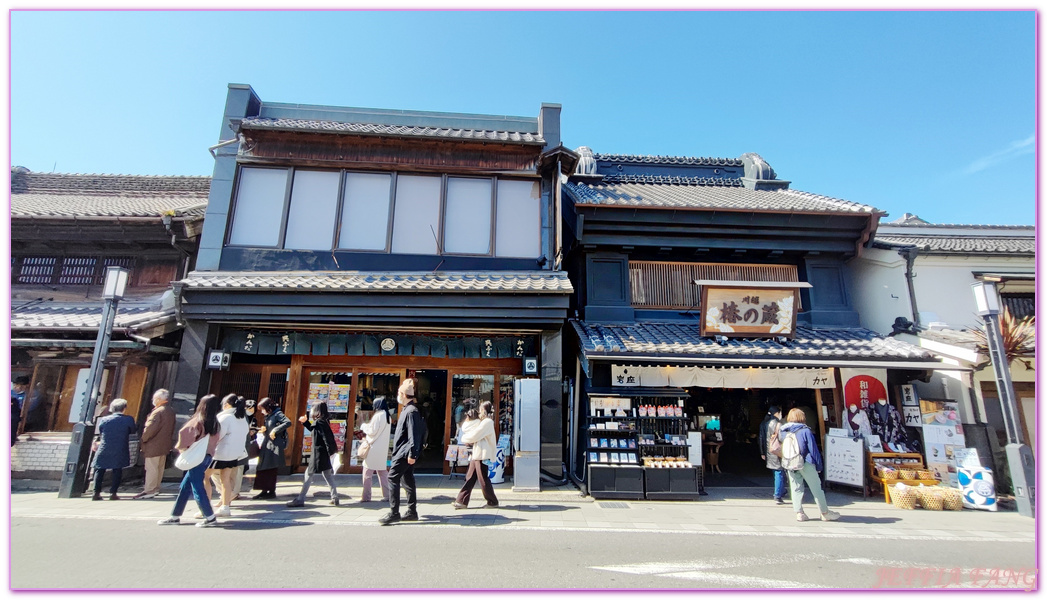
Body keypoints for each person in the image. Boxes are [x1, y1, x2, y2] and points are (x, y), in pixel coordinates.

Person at [158, 394, 222, 527]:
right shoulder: (215, 423)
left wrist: (181, 448)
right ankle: (175, 515)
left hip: (195, 456)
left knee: (197, 487)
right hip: (207, 456)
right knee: (185, 486)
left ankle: (209, 517)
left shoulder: (198, 421)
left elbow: (184, 436)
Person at [778, 408, 840, 522]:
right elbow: (813, 450)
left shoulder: (783, 431)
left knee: (796, 488)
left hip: (790, 462)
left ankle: (799, 513)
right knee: (816, 489)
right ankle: (825, 512)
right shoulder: (805, 431)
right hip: (806, 462)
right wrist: (819, 466)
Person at [379, 377, 425, 525]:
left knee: (392, 478)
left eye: (399, 393)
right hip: (404, 452)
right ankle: (412, 511)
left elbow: (414, 434)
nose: (398, 396)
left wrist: (413, 453)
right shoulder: (408, 409)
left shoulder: (411, 411)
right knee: (408, 479)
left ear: (404, 395)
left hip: (404, 453)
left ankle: (394, 512)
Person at [288, 401, 341, 507]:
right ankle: (335, 497)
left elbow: (325, 437)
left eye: (312, 408)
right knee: (328, 475)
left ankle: (300, 499)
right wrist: (305, 422)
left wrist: (330, 451)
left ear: (316, 410)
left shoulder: (319, 422)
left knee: (308, 474)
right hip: (324, 453)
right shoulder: (324, 421)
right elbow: (315, 431)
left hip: (318, 453)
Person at [206, 394, 249, 517]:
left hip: (220, 453)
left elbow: (217, 436)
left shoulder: (225, 418)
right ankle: (225, 506)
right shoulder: (241, 419)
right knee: (225, 479)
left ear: (227, 405)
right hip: (234, 454)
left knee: (204, 477)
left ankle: (205, 506)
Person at [453, 401, 499, 509]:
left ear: (484, 410)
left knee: (482, 478)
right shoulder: (483, 422)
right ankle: (461, 501)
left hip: (482, 453)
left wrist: (464, 438)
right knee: (470, 477)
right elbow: (469, 429)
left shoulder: (487, 422)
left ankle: (492, 501)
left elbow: (475, 435)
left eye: (481, 409)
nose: (479, 411)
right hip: (477, 453)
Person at [134, 389, 176, 499]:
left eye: (154, 398)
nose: (153, 400)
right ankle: (156, 488)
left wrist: (143, 439)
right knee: (159, 468)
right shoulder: (170, 410)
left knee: (151, 467)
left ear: (158, 399)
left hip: (154, 445)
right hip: (164, 445)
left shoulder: (158, 412)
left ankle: (149, 490)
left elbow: (150, 429)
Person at [91, 398, 137, 501]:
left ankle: (96, 492)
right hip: (120, 447)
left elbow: (101, 431)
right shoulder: (128, 419)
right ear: (124, 408)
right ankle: (113, 493)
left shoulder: (104, 419)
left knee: (100, 469)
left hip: (104, 446)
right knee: (117, 470)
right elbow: (133, 430)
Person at [253, 397, 291, 500]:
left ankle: (271, 491)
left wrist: (275, 430)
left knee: (271, 467)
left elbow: (288, 422)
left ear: (268, 407)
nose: (261, 411)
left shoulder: (277, 414)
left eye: (262, 409)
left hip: (274, 444)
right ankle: (263, 490)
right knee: (263, 466)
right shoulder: (270, 415)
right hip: (267, 443)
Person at [360, 396, 392, 503]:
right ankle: (388, 495)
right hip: (382, 449)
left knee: (367, 473)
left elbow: (372, 431)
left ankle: (366, 496)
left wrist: (364, 426)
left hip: (373, 448)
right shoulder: (388, 416)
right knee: (382, 473)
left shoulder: (378, 416)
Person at [758, 405, 787, 505]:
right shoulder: (776, 424)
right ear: (777, 413)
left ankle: (781, 490)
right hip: (777, 451)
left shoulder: (765, 423)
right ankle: (777, 495)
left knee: (776, 473)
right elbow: (781, 438)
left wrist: (762, 452)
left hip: (769, 451)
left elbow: (761, 438)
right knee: (779, 472)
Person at [231, 398, 256, 501]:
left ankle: (233, 492)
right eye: (249, 408)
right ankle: (232, 492)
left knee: (238, 470)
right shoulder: (238, 417)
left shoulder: (242, 417)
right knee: (236, 471)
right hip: (239, 448)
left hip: (240, 448)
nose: (250, 410)